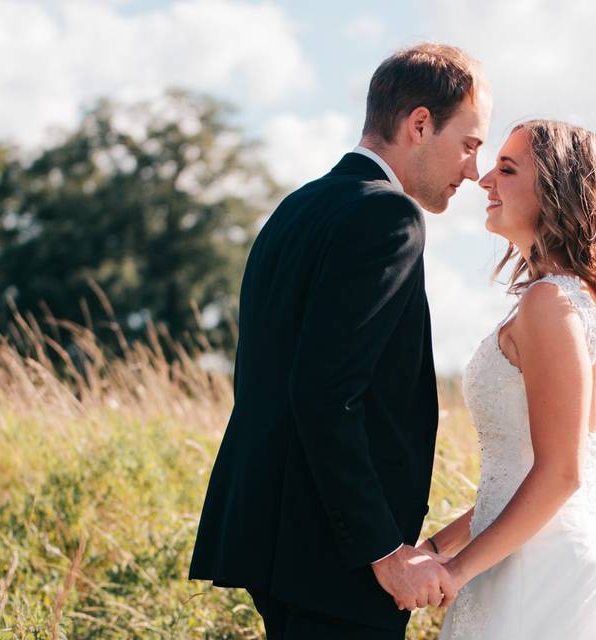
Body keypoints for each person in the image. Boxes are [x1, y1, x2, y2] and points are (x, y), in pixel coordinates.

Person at [188, 43, 492, 639]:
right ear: (419, 124)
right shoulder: (388, 217)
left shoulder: (296, 208)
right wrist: (384, 551)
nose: (472, 170)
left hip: (278, 537)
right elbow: (325, 391)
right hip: (334, 555)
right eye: (469, 144)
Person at [431, 120, 596, 639]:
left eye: (506, 169)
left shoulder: (552, 304)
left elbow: (562, 475)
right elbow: (521, 477)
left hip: (545, 578)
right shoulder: (582, 301)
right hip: (538, 553)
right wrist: (438, 549)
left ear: (555, 190)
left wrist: (455, 573)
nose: (485, 180)